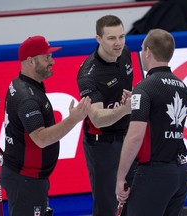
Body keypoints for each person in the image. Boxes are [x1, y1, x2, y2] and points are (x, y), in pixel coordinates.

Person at [0, 35, 91, 216]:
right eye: (47, 57)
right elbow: (40, 139)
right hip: (25, 179)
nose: (53, 61)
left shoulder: (21, 84)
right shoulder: (28, 97)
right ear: (31, 61)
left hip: (27, 177)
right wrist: (74, 119)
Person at [116, 29, 187, 216]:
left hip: (154, 174)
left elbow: (135, 137)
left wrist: (120, 177)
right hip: (180, 173)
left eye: (142, 49)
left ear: (147, 51)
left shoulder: (145, 88)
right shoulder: (182, 87)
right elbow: (162, 118)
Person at [77, 15, 134, 216]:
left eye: (121, 36)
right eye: (111, 38)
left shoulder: (125, 53)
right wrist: (126, 109)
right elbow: (98, 117)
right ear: (98, 39)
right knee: (108, 204)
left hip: (128, 134)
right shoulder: (89, 74)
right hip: (102, 143)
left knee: (132, 196)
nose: (118, 43)